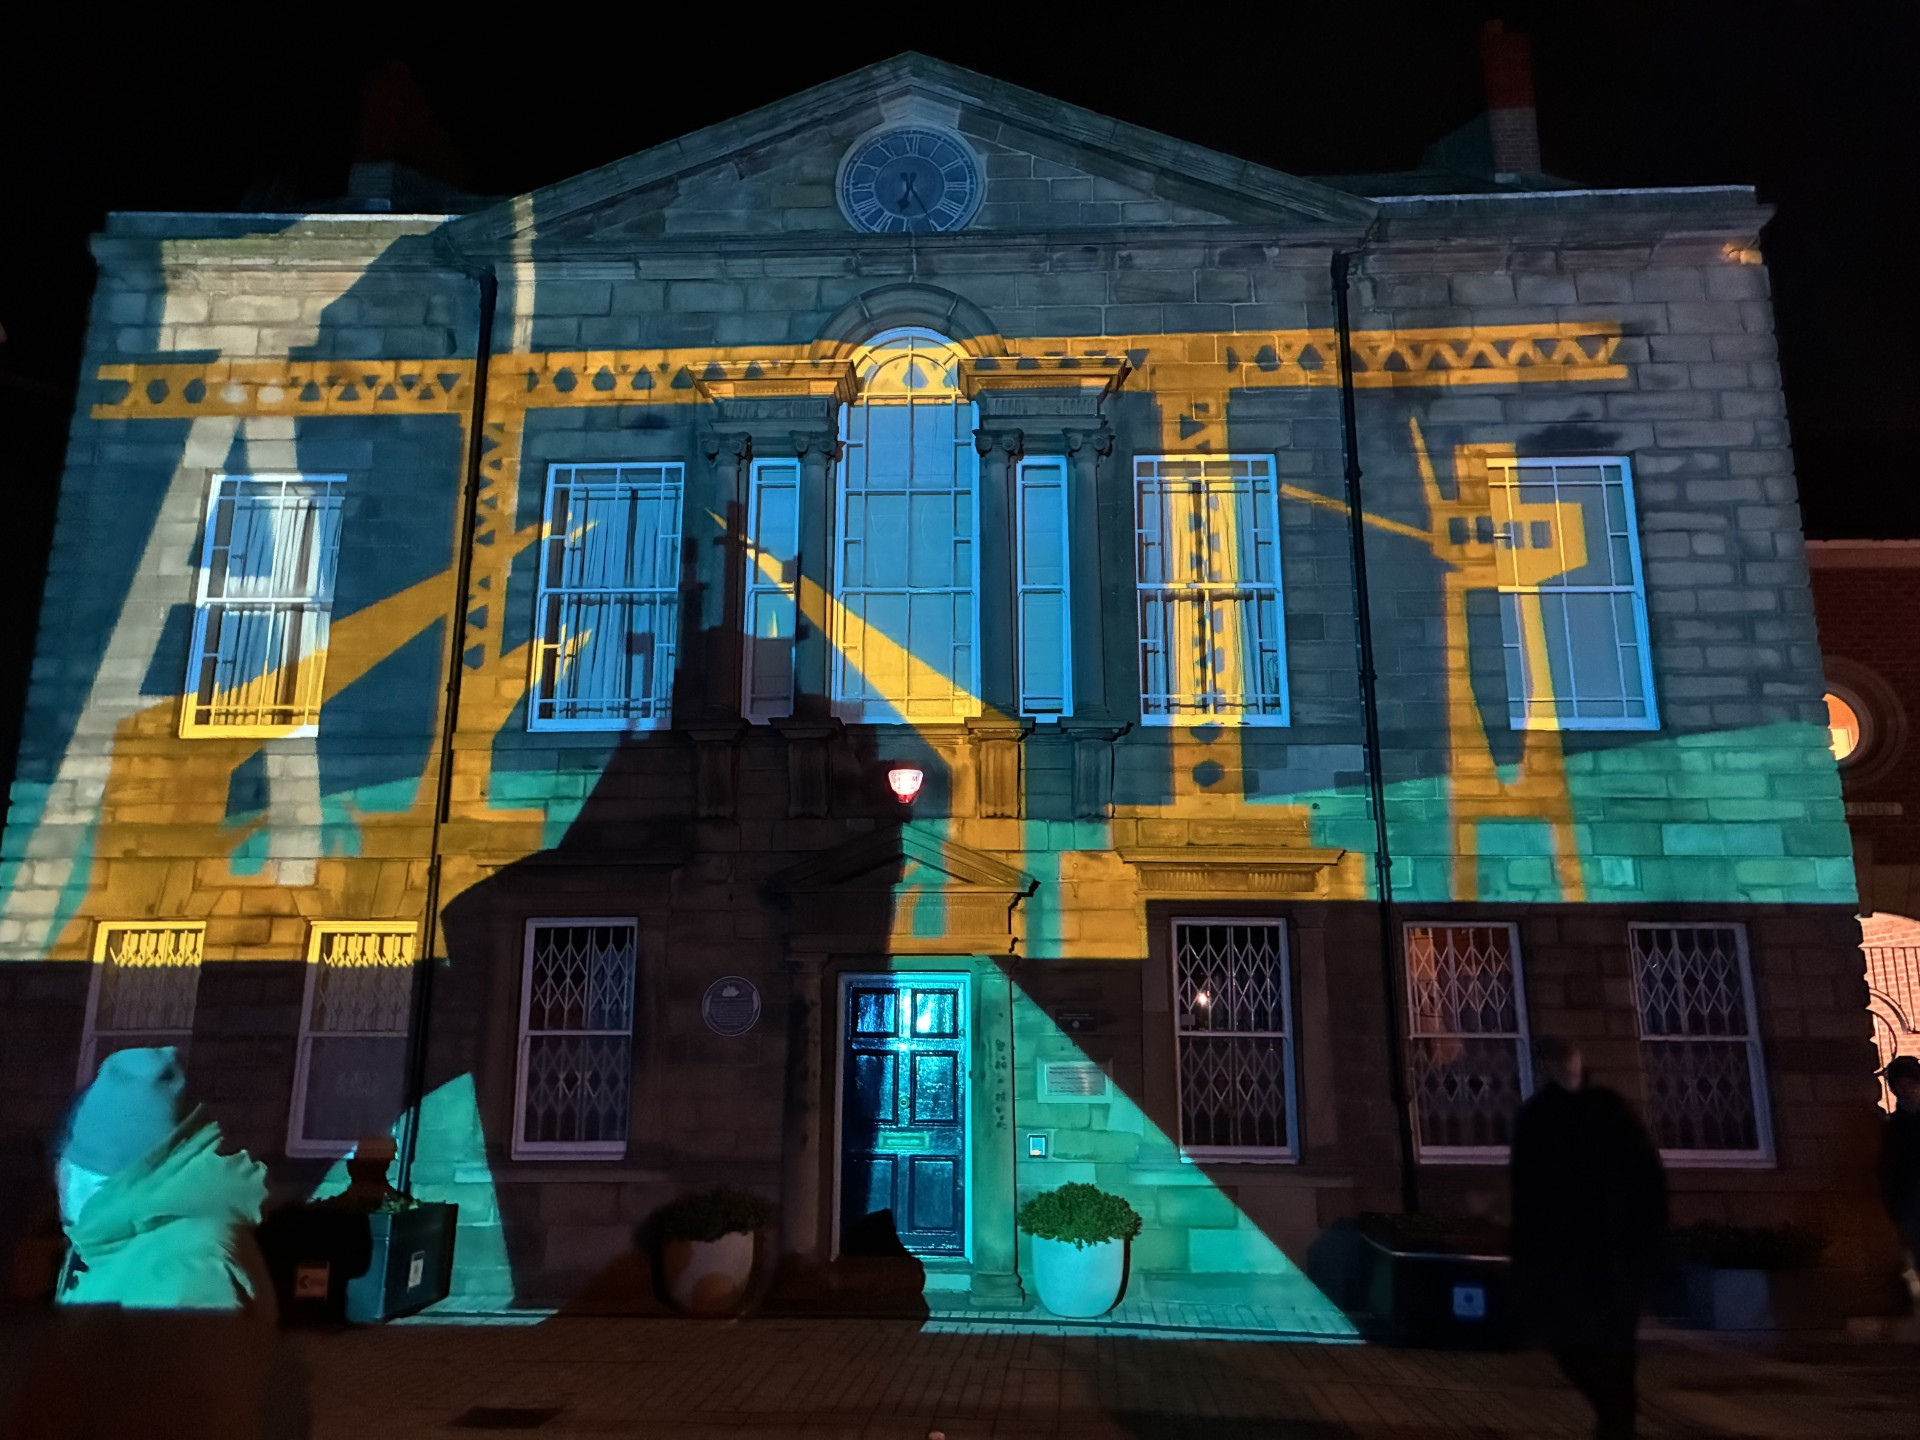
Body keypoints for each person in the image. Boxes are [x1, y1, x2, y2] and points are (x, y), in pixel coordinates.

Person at [3, 1046, 307, 1438]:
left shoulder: (186, 1269)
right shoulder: (135, 1240)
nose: (59, 1181)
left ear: (108, 1181)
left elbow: (184, 1416)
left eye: (72, 1167)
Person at [1510, 1037, 1668, 1440]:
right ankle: (1616, 1416)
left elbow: (1647, 1180)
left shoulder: (1607, 1110)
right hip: (1570, 1256)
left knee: (1613, 1348)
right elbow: (1526, 1193)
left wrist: (1648, 1243)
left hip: (1614, 1255)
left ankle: (1616, 1424)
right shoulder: (1538, 1118)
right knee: (1573, 1344)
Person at [1879, 1054, 1920, 1306]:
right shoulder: (1895, 1126)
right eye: (1900, 1087)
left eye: (1910, 1085)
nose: (1906, 1092)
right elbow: (1889, 1169)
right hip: (1910, 1200)